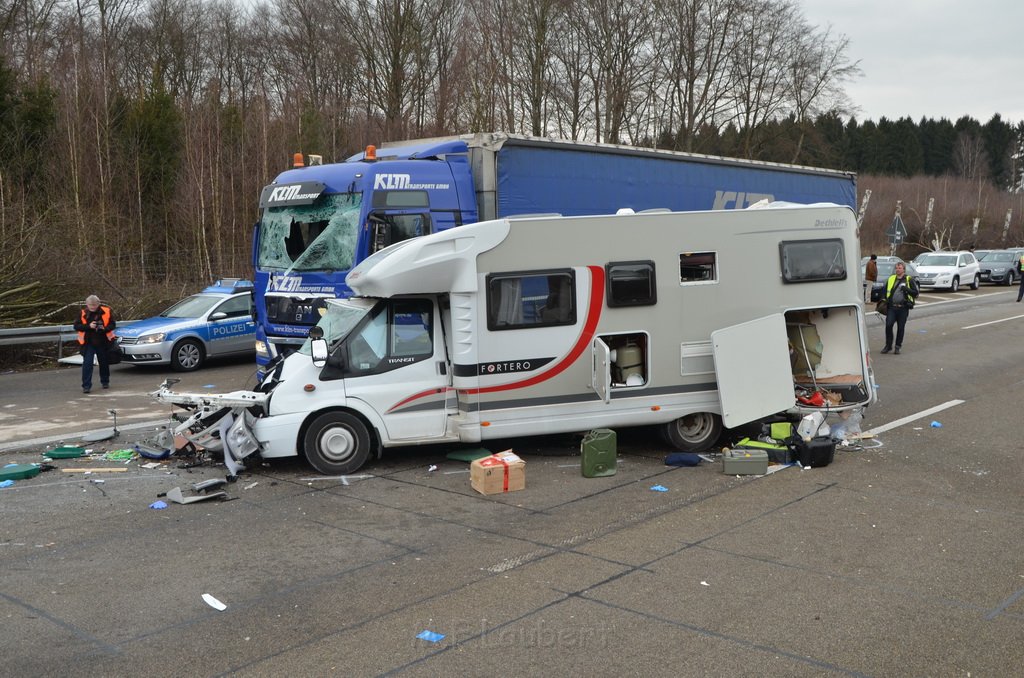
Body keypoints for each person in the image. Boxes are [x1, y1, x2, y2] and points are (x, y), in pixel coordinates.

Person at [73, 295, 116, 393]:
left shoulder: (106, 311)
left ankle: (105, 381)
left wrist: (104, 329)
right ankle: (86, 386)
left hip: (103, 341)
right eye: (90, 305)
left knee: (104, 363)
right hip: (88, 343)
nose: (92, 307)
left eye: (94, 305)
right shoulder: (83, 313)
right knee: (87, 364)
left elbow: (112, 324)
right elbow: (76, 326)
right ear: (87, 304)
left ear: (98, 304)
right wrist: (89, 326)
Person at [880, 262, 919, 355]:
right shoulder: (891, 278)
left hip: (903, 308)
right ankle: (888, 346)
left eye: (900, 268)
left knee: (901, 328)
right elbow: (884, 291)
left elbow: (915, 293)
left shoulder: (909, 279)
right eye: (896, 268)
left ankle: (897, 346)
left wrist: (907, 289)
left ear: (904, 269)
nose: (897, 269)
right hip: (892, 307)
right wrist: (883, 300)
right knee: (888, 325)